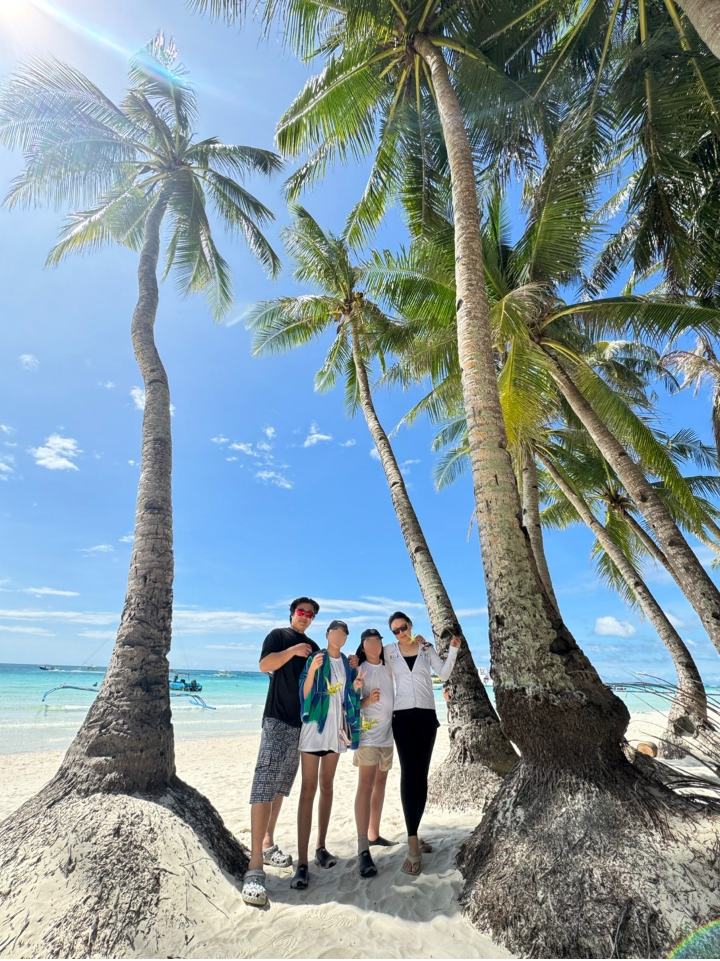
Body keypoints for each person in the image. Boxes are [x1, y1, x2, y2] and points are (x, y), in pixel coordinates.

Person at [242, 597, 320, 907]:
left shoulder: (314, 646)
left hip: (300, 725)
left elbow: (320, 685)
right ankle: (254, 866)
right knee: (263, 785)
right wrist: (291, 651)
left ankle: (267, 842)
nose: (305, 617)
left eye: (310, 614)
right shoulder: (278, 636)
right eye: (301, 612)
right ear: (292, 614)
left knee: (280, 788)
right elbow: (264, 666)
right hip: (275, 720)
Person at [385, 611, 461, 877]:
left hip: (427, 716)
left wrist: (452, 650)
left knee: (422, 778)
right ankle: (412, 842)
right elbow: (371, 664)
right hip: (402, 718)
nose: (400, 633)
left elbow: (444, 672)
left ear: (410, 626)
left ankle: (415, 834)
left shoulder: (426, 649)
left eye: (402, 628)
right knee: (408, 775)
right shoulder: (388, 652)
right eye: (394, 630)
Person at [291, 619, 363, 890]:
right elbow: (305, 693)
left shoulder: (347, 662)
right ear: (327, 634)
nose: (340, 636)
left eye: (344, 633)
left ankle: (321, 846)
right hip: (313, 730)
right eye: (336, 632)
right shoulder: (316, 658)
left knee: (327, 786)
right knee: (308, 789)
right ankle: (301, 862)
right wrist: (312, 672)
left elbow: (348, 697)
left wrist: (356, 686)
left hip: (335, 732)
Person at [353, 628, 396, 879]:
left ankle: (374, 833)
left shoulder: (388, 666)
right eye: (369, 641)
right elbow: (349, 704)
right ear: (363, 645)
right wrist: (366, 701)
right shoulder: (358, 670)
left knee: (380, 784)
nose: (374, 645)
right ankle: (362, 846)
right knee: (365, 786)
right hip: (368, 736)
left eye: (377, 641)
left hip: (388, 736)